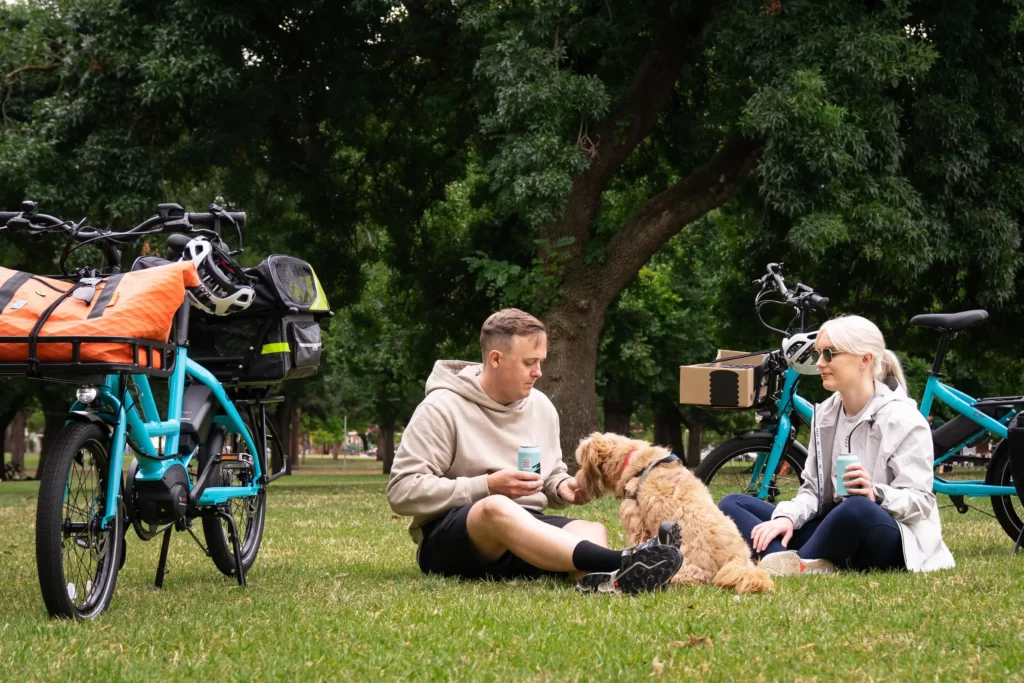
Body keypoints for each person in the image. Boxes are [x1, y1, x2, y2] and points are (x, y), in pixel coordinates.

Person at [386, 308, 682, 594]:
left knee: (591, 530)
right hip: (452, 540)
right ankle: (623, 560)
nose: (538, 372)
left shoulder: (541, 406)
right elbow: (401, 491)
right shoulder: (441, 408)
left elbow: (550, 474)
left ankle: (609, 581)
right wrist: (487, 486)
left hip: (526, 534)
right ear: (496, 359)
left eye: (541, 361)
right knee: (496, 506)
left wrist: (560, 486)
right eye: (529, 363)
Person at [718, 315, 955, 575]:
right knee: (732, 504)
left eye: (829, 354)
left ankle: (786, 561)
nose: (819, 363)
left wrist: (875, 494)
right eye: (818, 354)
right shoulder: (826, 415)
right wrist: (787, 517)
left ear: (865, 359)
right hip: (834, 527)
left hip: (887, 535)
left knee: (855, 507)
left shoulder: (904, 419)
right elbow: (812, 491)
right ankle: (792, 562)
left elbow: (920, 502)